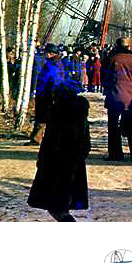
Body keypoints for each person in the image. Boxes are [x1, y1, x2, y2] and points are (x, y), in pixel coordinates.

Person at [27, 81, 91, 221]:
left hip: (55, 166)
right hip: (75, 164)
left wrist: (42, 160)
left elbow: (50, 141)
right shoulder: (80, 112)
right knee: (61, 205)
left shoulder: (58, 113)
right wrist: (80, 157)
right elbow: (86, 142)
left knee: (56, 207)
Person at [102, 37, 132, 160]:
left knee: (113, 126)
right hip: (131, 97)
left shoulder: (112, 59)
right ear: (129, 46)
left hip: (114, 96)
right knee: (131, 125)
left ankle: (115, 153)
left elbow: (104, 77)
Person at [29, 43, 65, 145]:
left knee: (42, 116)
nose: (45, 54)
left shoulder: (51, 65)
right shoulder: (58, 64)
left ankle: (37, 138)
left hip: (46, 94)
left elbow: (46, 79)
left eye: (46, 52)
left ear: (51, 53)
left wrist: (39, 91)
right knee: (49, 117)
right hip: (53, 93)